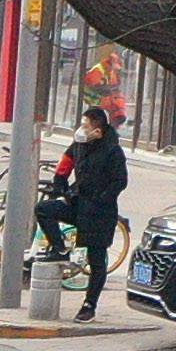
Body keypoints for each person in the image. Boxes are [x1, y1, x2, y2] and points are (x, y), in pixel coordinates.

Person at [32, 106, 130, 319]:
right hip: (78, 204)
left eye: (86, 126)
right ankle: (59, 249)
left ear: (98, 130)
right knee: (44, 210)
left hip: (99, 213)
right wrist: (60, 185)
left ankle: (89, 305)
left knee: (97, 261)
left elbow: (120, 181)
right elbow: (65, 165)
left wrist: (102, 198)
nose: (82, 129)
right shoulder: (79, 145)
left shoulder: (112, 151)